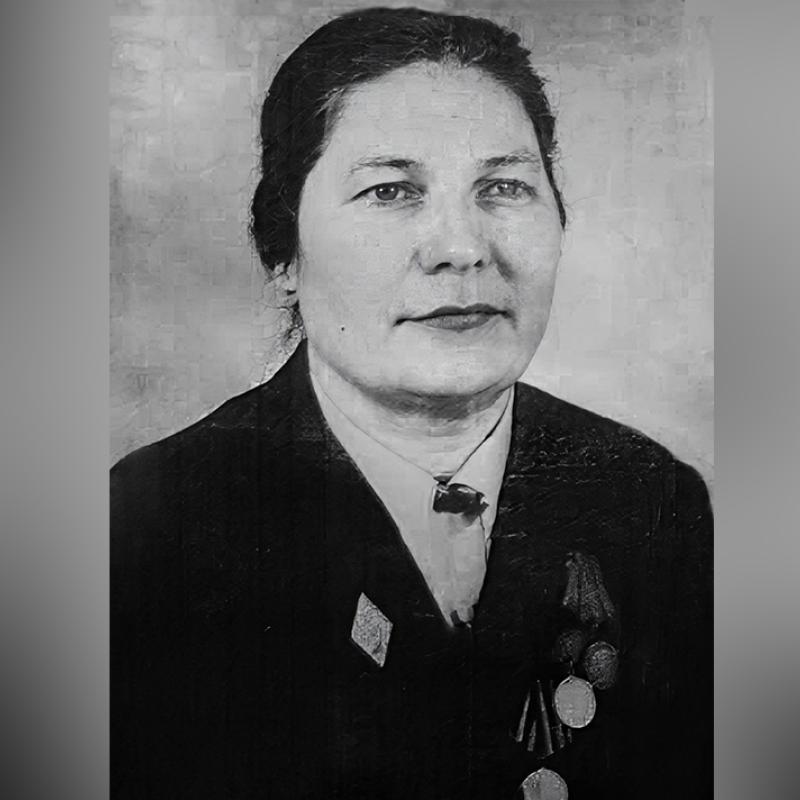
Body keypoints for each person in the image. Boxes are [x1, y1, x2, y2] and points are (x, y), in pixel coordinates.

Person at [111, 7, 712, 799]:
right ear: (282, 249)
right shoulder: (145, 529)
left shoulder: (650, 498)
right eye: (391, 190)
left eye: (504, 187)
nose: (462, 248)